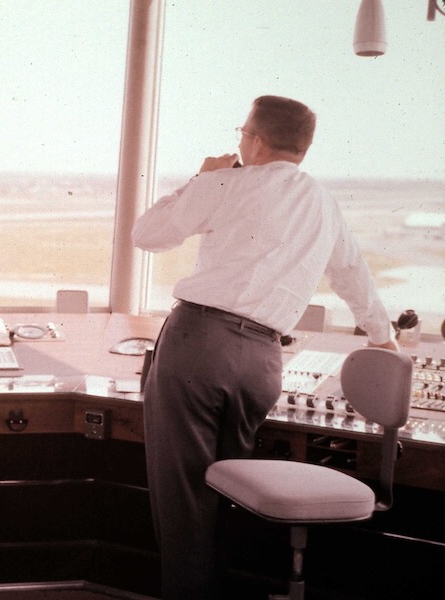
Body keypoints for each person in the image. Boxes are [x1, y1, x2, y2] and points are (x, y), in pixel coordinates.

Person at [131, 95, 398, 600]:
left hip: (198, 347)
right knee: (230, 489)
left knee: (185, 496)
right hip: (263, 362)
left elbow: (147, 235)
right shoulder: (322, 202)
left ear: (254, 140)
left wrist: (200, 179)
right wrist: (384, 339)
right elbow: (353, 277)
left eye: (242, 133)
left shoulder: (226, 182)